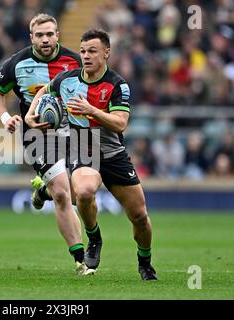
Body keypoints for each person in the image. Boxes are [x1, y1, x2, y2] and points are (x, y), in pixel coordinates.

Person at [26, 29, 157, 280]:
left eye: (92, 51)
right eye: (83, 51)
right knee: (85, 192)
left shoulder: (117, 85)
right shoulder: (67, 80)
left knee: (140, 217)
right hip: (83, 150)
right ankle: (94, 238)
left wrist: (91, 110)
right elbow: (44, 91)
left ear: (106, 52)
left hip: (113, 154)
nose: (85, 56)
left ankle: (145, 262)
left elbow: (120, 124)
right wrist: (32, 115)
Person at [0, 13, 93, 275]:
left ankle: (41, 190)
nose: (45, 39)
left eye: (50, 34)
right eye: (39, 35)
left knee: (81, 192)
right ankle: (81, 260)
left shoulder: (75, 62)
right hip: (36, 135)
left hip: (75, 132)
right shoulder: (17, 63)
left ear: (57, 35)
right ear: (31, 37)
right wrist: (5, 118)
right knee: (62, 193)